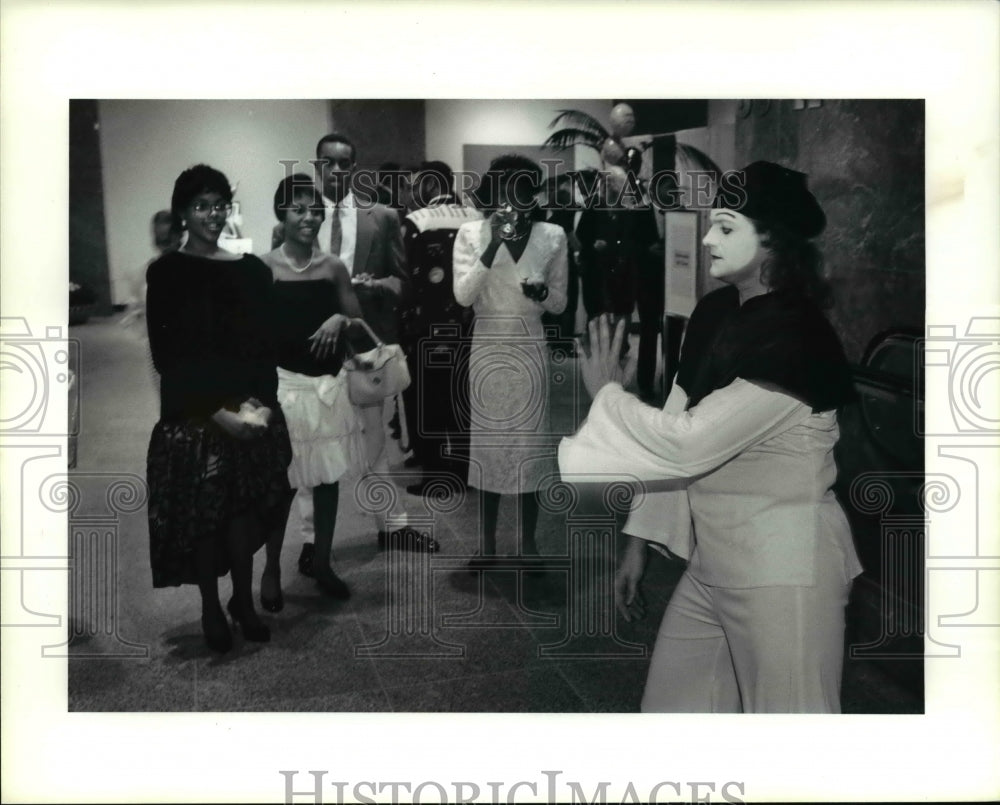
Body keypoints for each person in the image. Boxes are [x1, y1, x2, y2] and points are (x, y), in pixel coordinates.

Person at [559, 161, 861, 712]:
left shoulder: (797, 335)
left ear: (772, 241)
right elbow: (678, 415)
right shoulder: (717, 310)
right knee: (673, 715)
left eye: (725, 226)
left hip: (782, 568)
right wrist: (639, 544)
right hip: (715, 561)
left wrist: (608, 395)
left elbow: (687, 444)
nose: (705, 238)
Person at [145, 164, 294, 653]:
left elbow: (265, 344)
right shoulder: (166, 272)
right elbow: (169, 357)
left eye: (219, 205)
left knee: (245, 514)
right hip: (197, 417)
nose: (212, 215)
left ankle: (243, 601)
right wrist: (218, 412)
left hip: (249, 411)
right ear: (184, 212)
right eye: (200, 206)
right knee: (206, 520)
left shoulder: (250, 269)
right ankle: (211, 605)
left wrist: (264, 406)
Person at [295, 132, 436, 566]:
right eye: (329, 162)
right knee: (312, 448)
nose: (337, 170)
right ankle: (309, 541)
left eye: (345, 163)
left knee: (375, 443)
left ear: (354, 168)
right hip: (314, 351)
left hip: (366, 349)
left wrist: (376, 287)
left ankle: (392, 527)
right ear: (317, 165)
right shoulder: (298, 218)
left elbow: (404, 282)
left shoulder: (384, 217)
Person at [454, 154, 569, 563]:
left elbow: (560, 303)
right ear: (490, 195)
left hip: (529, 346)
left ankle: (528, 543)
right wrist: (494, 245)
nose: (511, 204)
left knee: (530, 447)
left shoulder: (553, 235)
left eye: (520, 193)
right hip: (487, 344)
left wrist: (542, 295)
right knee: (488, 447)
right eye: (503, 194)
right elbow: (463, 295)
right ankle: (485, 543)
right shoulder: (470, 233)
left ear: (531, 195)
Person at [260, 174, 366, 604]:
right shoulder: (264, 267)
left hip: (326, 387)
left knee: (326, 481)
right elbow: (250, 333)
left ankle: (322, 561)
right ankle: (269, 569)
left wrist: (339, 320)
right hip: (284, 387)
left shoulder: (332, 267)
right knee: (281, 484)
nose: (308, 217)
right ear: (281, 216)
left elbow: (358, 325)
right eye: (298, 209)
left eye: (314, 208)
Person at [400, 161, 483, 496]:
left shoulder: (417, 221)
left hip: (428, 324)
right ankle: (463, 473)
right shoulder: (476, 217)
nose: (414, 190)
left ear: (431, 186)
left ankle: (435, 475)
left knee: (430, 401)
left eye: (418, 183)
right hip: (468, 323)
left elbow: (408, 277)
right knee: (461, 397)